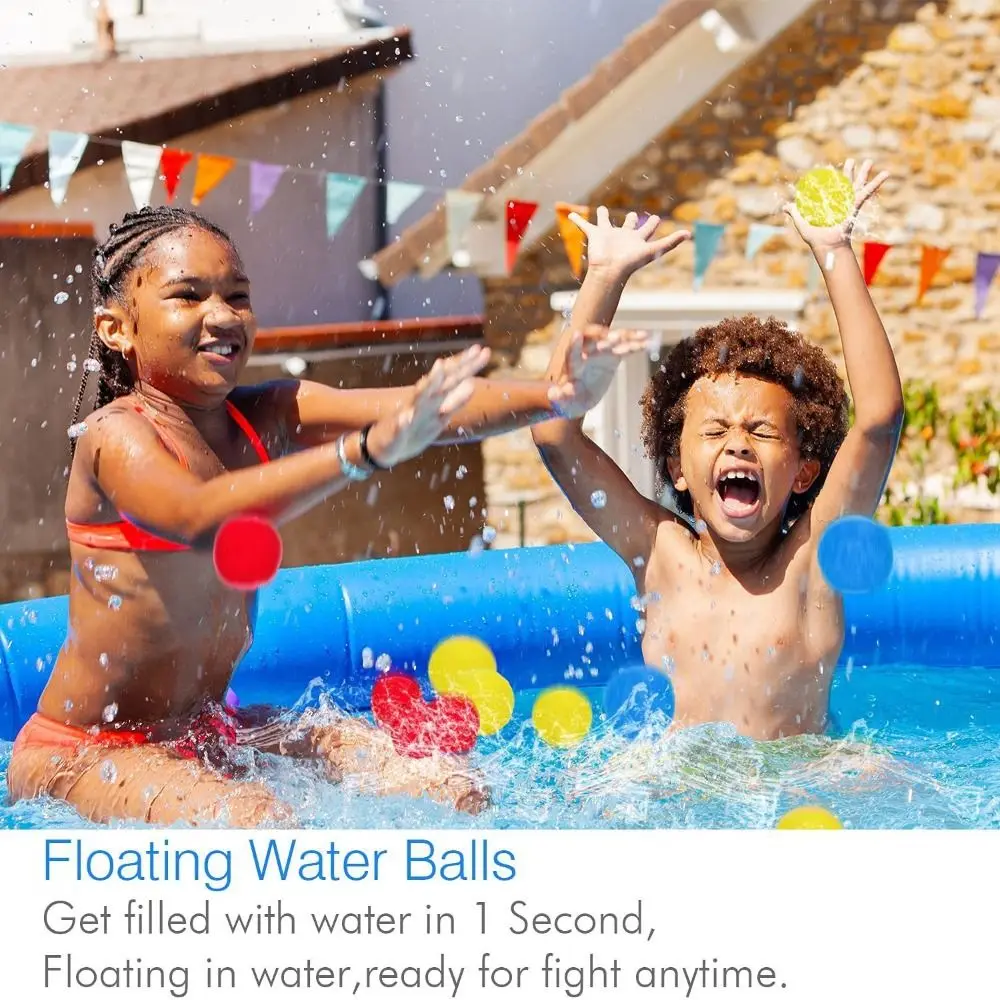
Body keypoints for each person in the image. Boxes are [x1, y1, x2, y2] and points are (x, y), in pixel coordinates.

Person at [6, 205, 645, 827]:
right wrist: (365, 452)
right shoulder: (115, 434)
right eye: (188, 296)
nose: (223, 316)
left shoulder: (267, 414)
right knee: (258, 824)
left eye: (237, 295)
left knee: (447, 784)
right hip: (87, 752)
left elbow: (431, 409)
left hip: (207, 729)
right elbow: (198, 515)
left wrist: (553, 395)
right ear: (116, 328)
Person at [533, 160, 903, 742]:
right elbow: (553, 433)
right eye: (714, 432)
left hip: (797, 794)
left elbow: (879, 421)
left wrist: (834, 251)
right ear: (677, 468)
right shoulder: (658, 553)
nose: (737, 444)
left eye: (762, 431)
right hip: (679, 797)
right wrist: (603, 278)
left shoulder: (811, 563)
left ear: (805, 471)